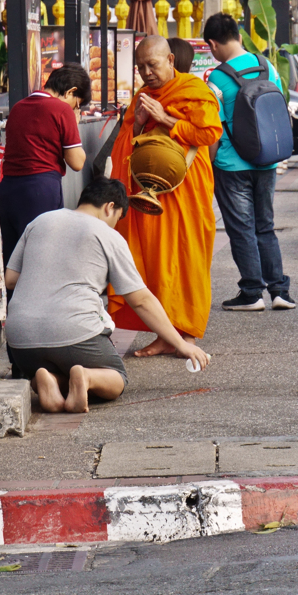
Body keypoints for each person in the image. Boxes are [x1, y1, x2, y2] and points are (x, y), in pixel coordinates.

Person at [5, 179, 210, 413]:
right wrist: (180, 343)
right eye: (117, 218)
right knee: (117, 378)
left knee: (54, 366)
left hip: (21, 341)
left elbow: (11, 278)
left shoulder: (40, 221)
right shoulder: (107, 235)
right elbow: (141, 300)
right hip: (75, 335)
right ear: (109, 207)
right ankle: (87, 378)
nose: (114, 225)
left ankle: (48, 380)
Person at [106, 35, 223, 356]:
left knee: (187, 257)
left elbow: (208, 133)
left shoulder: (193, 90)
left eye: (153, 64)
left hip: (185, 189)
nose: (147, 72)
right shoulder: (143, 95)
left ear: (170, 60)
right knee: (155, 259)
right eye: (141, 66)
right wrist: (142, 123)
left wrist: (165, 116)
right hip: (148, 190)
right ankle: (164, 333)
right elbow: (128, 141)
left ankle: (187, 333)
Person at [203, 13, 295, 312]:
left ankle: (252, 292)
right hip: (267, 160)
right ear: (239, 36)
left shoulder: (216, 77)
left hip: (232, 165)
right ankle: (280, 291)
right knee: (265, 225)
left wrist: (211, 161)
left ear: (213, 44)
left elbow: (214, 127)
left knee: (242, 228)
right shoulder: (267, 65)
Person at [0, 63, 90, 263]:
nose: (76, 109)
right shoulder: (61, 110)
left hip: (8, 190)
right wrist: (74, 122)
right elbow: (77, 162)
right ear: (71, 92)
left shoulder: (18, 107)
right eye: (77, 103)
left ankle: (15, 296)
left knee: (14, 262)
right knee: (43, 259)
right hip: (40, 189)